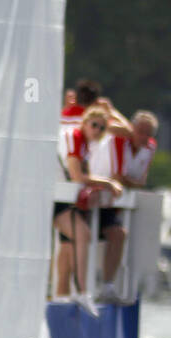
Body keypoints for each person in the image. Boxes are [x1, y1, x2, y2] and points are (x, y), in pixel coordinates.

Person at [54, 106, 125, 300]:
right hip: (54, 197)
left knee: (71, 244)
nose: (98, 131)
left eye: (102, 128)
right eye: (94, 125)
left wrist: (96, 187)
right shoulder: (75, 137)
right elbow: (78, 177)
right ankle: (82, 292)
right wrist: (108, 183)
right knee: (81, 236)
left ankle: (64, 298)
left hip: (62, 198)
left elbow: (81, 177)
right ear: (84, 123)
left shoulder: (84, 145)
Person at [90, 107, 158, 303]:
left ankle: (108, 286)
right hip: (95, 197)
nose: (144, 137)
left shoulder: (150, 147)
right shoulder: (119, 140)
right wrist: (128, 181)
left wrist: (126, 181)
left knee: (119, 234)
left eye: (148, 134)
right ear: (131, 129)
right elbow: (118, 177)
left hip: (111, 201)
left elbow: (140, 181)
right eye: (140, 131)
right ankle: (85, 287)